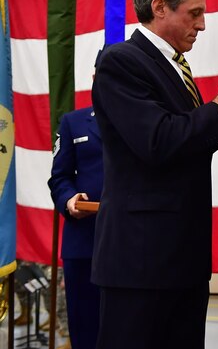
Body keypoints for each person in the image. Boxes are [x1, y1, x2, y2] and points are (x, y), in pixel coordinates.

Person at [91, 0, 218, 349]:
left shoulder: (173, 65)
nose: (201, 25)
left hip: (180, 259)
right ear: (159, 7)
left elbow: (185, 147)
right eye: (195, 12)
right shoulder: (122, 61)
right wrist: (217, 108)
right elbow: (156, 141)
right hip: (140, 262)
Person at [48, 52, 104, 349]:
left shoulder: (141, 122)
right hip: (84, 244)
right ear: (94, 79)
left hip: (129, 246)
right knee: (85, 331)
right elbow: (59, 177)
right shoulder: (73, 122)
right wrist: (69, 200)